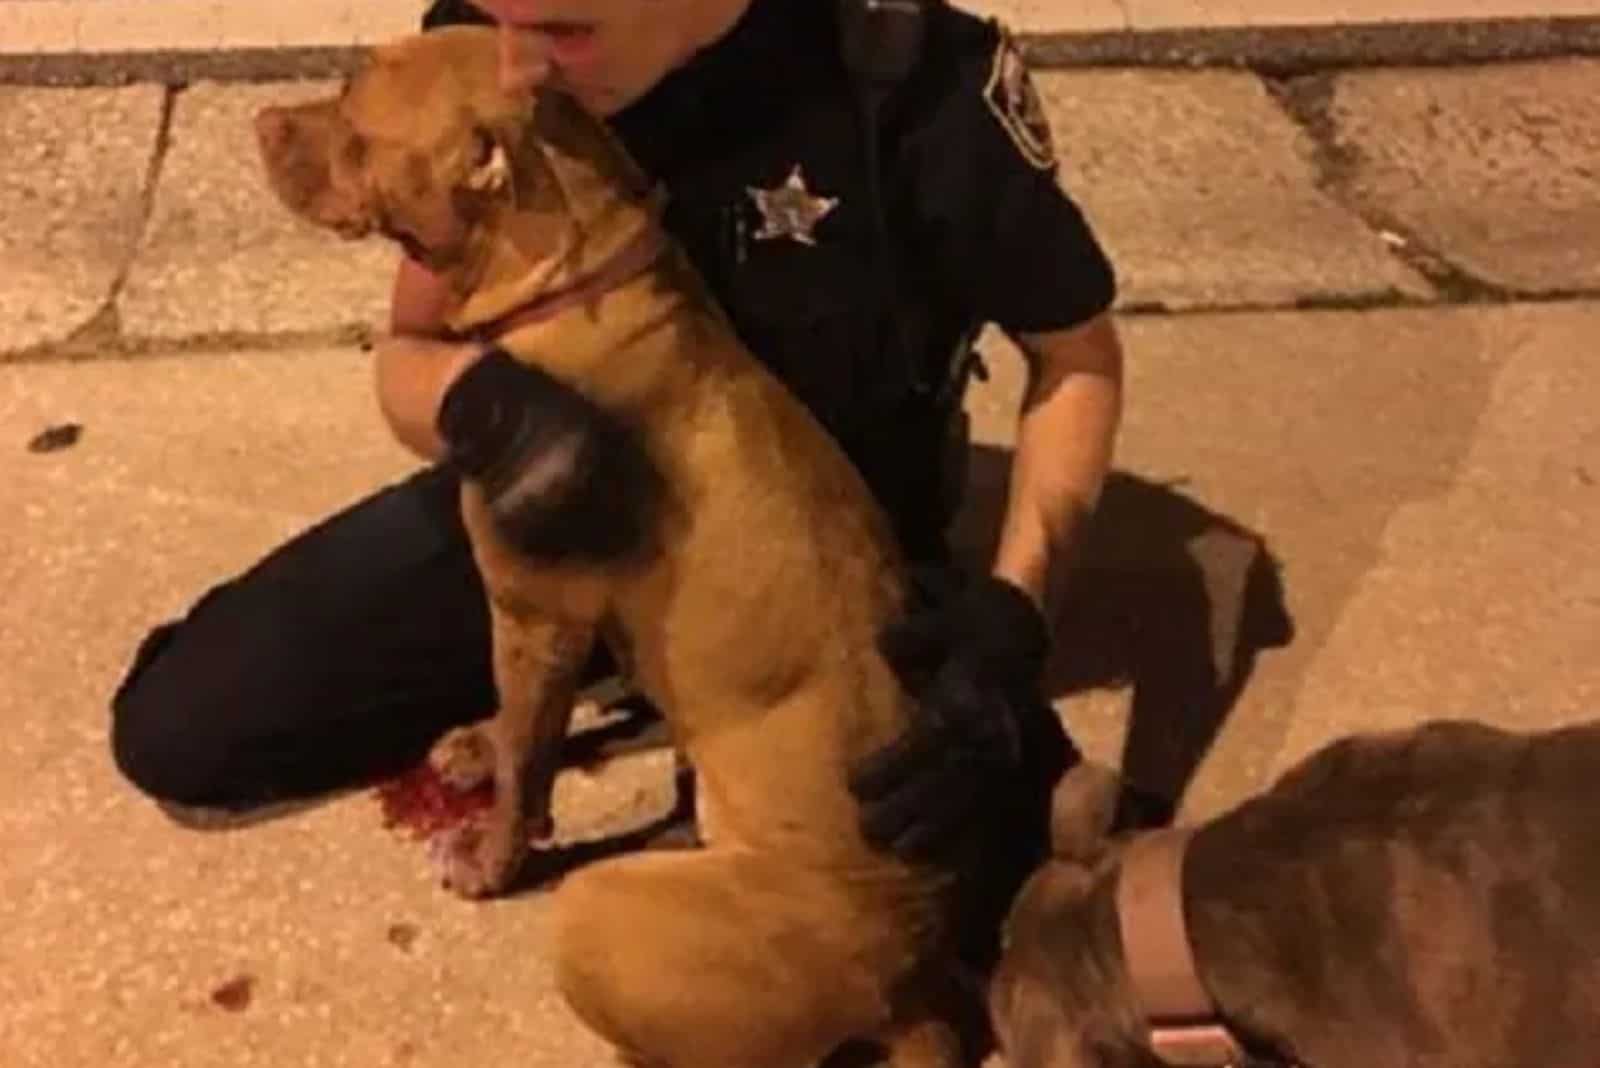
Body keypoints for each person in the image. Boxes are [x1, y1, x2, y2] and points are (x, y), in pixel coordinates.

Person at [108, 0, 1125, 866]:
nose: (515, 68)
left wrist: (1015, 615)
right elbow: (408, 349)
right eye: (503, 22)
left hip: (810, 564)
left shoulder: (910, 78)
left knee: (974, 872)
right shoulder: (503, 38)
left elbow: (1077, 362)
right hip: (562, 496)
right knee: (182, 729)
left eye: (563, 32)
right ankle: (598, 657)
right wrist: (481, 410)